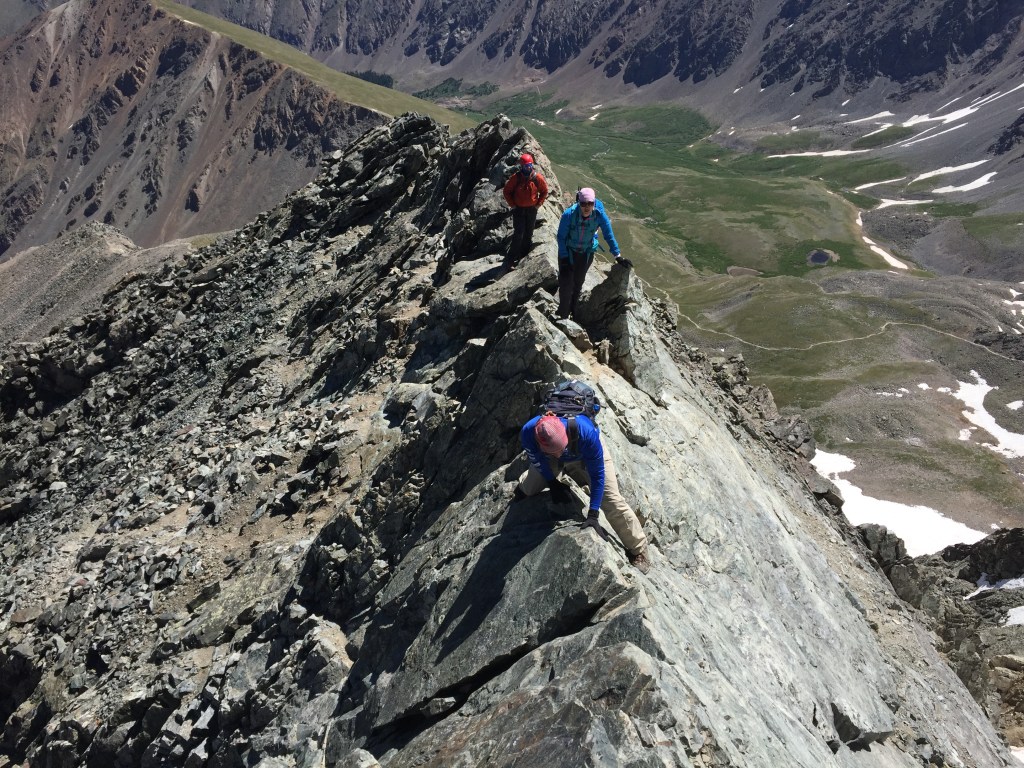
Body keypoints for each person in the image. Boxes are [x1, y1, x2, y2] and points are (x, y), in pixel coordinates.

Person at [516, 411, 651, 573]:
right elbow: (537, 459)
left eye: (561, 449)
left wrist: (593, 514)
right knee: (529, 488)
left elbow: (598, 476)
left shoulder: (586, 432)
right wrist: (551, 482)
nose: (559, 454)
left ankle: (638, 548)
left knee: (611, 499)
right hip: (550, 454)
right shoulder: (529, 431)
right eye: (555, 451)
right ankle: (529, 480)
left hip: (585, 451)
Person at [555, 187, 632, 319]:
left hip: (586, 253)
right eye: (583, 203)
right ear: (579, 202)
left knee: (578, 283)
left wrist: (617, 255)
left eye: (590, 203)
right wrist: (564, 257)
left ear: (594, 203)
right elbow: (561, 237)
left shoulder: (599, 215)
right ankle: (563, 315)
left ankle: (573, 310)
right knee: (566, 283)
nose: (586, 207)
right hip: (568, 252)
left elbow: (608, 235)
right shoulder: (569, 215)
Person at [502, 153, 548, 269]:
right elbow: (506, 191)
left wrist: (538, 204)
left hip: (532, 210)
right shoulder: (516, 178)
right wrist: (512, 205)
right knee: (518, 233)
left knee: (529, 233)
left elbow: (544, 191)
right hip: (519, 210)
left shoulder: (537, 178)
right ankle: (511, 259)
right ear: (521, 167)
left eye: (530, 165)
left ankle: (523, 257)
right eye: (526, 166)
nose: (528, 168)